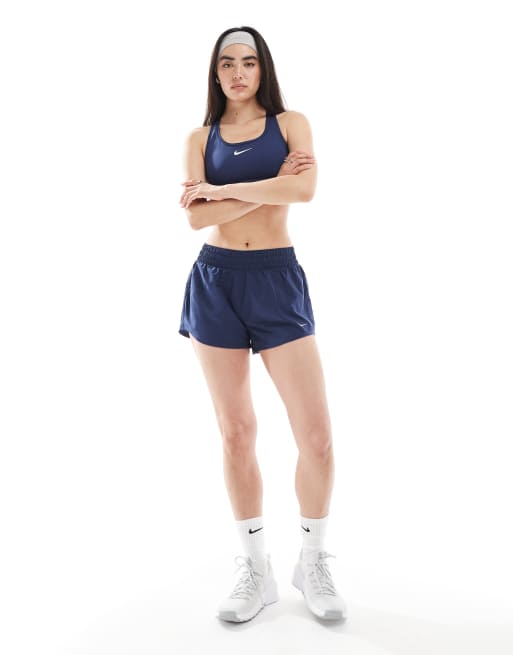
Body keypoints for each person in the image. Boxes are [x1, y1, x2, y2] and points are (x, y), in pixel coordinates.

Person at [178, 26, 347, 623]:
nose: (238, 72)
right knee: (236, 432)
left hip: (276, 279)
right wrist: (275, 187)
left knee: (317, 436)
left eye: (248, 62)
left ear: (262, 68)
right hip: (216, 281)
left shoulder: (291, 124)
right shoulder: (200, 138)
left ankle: (313, 560)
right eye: (227, 63)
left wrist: (222, 190)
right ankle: (257, 568)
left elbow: (307, 190)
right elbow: (197, 220)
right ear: (215, 72)